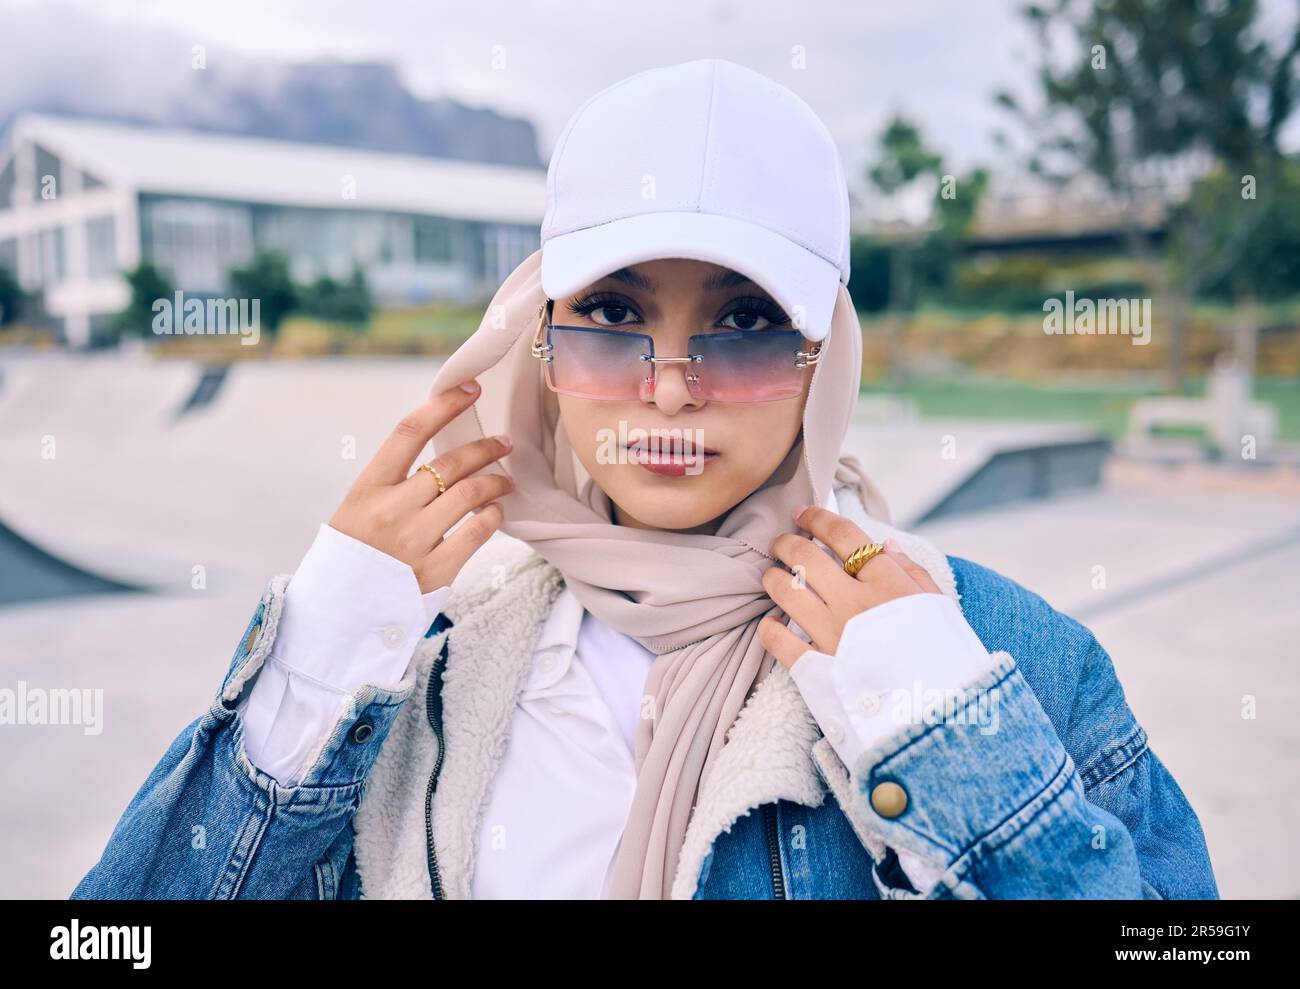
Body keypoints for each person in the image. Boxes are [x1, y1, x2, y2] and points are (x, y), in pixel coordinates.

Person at [70, 58, 1218, 900]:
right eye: (614, 316)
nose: (670, 391)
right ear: (540, 339)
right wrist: (320, 656)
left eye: (747, 323)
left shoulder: (1007, 656)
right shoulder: (425, 666)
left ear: (828, 357)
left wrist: (948, 735)